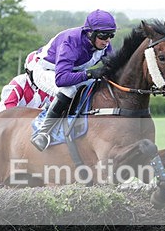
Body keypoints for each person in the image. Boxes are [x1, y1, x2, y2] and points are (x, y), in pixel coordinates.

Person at [26, 9, 117, 151]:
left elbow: (114, 69)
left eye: (111, 35)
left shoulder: (103, 45)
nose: (107, 40)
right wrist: (89, 74)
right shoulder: (70, 42)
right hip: (44, 70)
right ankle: (43, 132)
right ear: (90, 33)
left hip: (70, 71)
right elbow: (61, 79)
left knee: (98, 85)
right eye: (104, 35)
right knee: (68, 90)